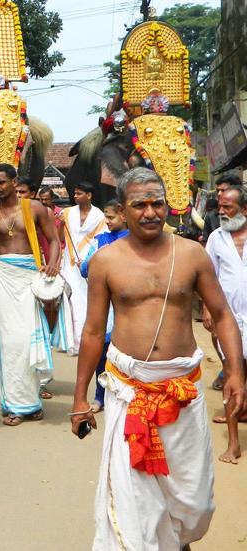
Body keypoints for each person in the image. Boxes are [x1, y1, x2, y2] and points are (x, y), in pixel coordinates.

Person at [71, 167, 246, 550]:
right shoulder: (105, 261)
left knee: (194, 501)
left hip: (182, 391)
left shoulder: (192, 255)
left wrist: (235, 371)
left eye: (157, 203)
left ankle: (178, 540)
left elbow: (221, 315)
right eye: (139, 205)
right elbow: (93, 332)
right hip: (129, 392)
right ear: (121, 208)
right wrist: (81, 398)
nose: (150, 212)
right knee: (135, 500)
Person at [0, 163, 60, 426]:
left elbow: (55, 240)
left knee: (29, 342)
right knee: (10, 343)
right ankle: (15, 405)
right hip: (3, 280)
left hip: (30, 278)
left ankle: (32, 401)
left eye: (2, 182)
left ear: (15, 182)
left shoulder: (35, 208)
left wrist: (53, 264)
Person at [204, 186, 247, 464]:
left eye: (228, 208)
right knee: (233, 378)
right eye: (220, 207)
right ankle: (233, 443)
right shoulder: (216, 238)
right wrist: (208, 308)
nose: (221, 212)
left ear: (244, 210)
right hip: (229, 319)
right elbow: (207, 276)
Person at [79, 200, 128, 412]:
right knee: (101, 353)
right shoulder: (99, 240)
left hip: (126, 307)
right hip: (103, 306)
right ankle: (99, 397)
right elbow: (83, 268)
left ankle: (124, 395)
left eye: (111, 217)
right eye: (105, 217)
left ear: (123, 216)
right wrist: (101, 256)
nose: (107, 221)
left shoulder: (133, 241)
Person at [203, 175, 241, 390]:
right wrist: (207, 306)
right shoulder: (215, 230)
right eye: (217, 192)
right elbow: (209, 271)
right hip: (224, 303)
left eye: (224, 191)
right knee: (223, 347)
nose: (219, 196)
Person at [60, 181, 107, 355]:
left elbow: (99, 240)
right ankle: (70, 341)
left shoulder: (99, 216)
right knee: (69, 299)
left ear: (89, 195)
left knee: (84, 300)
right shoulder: (67, 213)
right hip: (69, 261)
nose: (75, 196)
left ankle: (82, 341)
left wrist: (89, 259)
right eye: (75, 193)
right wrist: (59, 224)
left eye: (79, 193)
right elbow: (60, 237)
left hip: (88, 261)